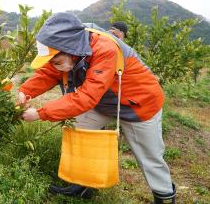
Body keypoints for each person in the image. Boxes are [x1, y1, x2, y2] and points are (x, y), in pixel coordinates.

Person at [17, 13, 176, 203]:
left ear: (72, 49)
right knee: (80, 130)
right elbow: (49, 72)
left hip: (139, 106)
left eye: (56, 61)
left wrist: (41, 113)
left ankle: (164, 196)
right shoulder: (69, 44)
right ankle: (83, 186)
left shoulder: (104, 49)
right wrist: (25, 92)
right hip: (104, 101)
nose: (54, 65)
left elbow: (86, 97)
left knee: (150, 158)